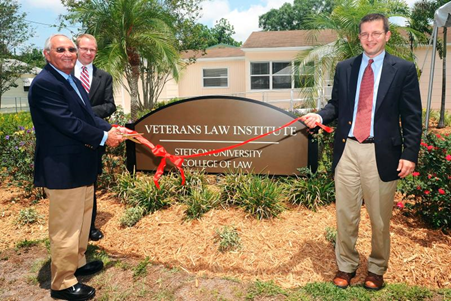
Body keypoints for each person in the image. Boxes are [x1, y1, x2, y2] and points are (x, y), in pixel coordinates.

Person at [301, 13, 422, 290]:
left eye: (376, 33)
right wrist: (320, 116)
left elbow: (413, 116)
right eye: (365, 34)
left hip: (382, 153)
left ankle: (377, 269)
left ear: (387, 35)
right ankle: (346, 265)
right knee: (345, 214)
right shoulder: (346, 67)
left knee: (379, 218)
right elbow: (337, 105)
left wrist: (410, 154)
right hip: (348, 150)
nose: (370, 39)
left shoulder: (402, 69)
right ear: (359, 37)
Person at [28, 34, 123, 300]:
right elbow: (70, 123)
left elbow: (89, 116)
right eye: (61, 49)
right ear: (47, 54)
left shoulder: (69, 80)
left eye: (71, 49)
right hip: (63, 168)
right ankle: (62, 283)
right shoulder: (45, 84)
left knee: (82, 221)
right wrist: (105, 137)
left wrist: (112, 128)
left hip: (81, 165)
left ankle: (78, 264)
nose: (69, 53)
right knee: (66, 228)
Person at [74, 33, 117, 241]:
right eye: (85, 49)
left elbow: (110, 105)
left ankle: (89, 227)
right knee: (69, 187)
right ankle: (73, 229)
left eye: (92, 50)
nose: (89, 53)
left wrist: (87, 112)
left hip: (93, 140)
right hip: (69, 138)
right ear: (77, 49)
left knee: (90, 184)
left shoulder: (104, 77)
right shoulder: (65, 75)